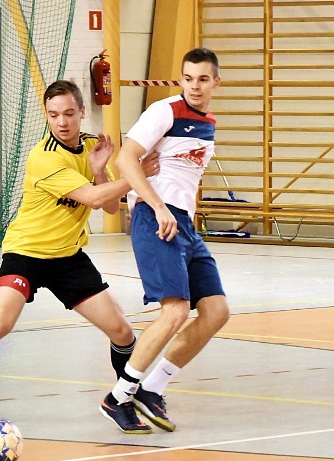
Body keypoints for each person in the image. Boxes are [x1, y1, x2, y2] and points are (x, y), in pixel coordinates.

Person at [0, 80, 159, 407]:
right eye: (53, 115)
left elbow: (109, 205)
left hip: (68, 257)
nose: (61, 122)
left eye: (68, 113)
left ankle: (126, 400)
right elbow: (94, 201)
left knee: (122, 332)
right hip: (27, 253)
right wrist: (138, 175)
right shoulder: (45, 157)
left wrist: (99, 171)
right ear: (47, 117)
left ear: (82, 112)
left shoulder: (94, 146)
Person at [98, 48, 230, 434]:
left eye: (203, 79)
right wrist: (156, 205)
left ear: (216, 82)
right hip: (155, 218)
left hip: (184, 223)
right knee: (175, 311)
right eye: (188, 78)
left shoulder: (208, 123)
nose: (194, 86)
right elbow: (126, 159)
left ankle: (152, 389)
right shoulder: (165, 111)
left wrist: (181, 214)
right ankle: (118, 398)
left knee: (217, 312)